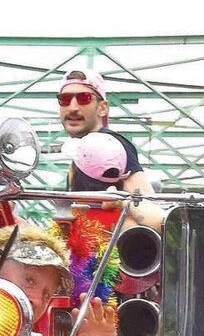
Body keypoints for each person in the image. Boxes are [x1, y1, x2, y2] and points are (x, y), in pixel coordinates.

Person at [58, 69, 162, 227]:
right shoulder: (81, 152)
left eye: (83, 98)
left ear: (102, 108)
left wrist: (120, 201)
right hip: (90, 246)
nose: (73, 107)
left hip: (110, 249)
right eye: (64, 99)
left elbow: (152, 216)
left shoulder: (112, 146)